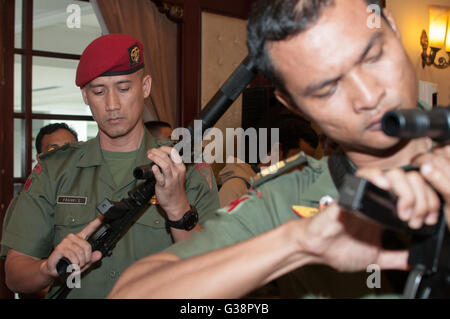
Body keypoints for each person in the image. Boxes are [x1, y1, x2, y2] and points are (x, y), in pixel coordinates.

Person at [108, 0, 450, 299]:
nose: (368, 96)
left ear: (390, 25)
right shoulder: (287, 200)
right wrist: (300, 243)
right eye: (327, 89)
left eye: (372, 56)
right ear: (294, 105)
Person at [0, 34, 219, 299]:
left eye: (124, 88)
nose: (112, 104)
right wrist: (47, 269)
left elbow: (212, 272)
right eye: (99, 91)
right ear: (84, 95)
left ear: (145, 86)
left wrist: (177, 207)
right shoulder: (55, 170)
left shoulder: (188, 169)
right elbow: (15, 274)